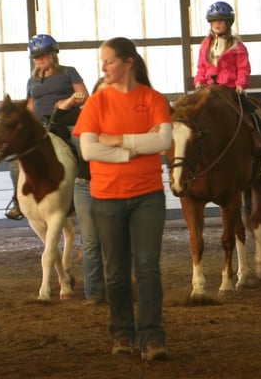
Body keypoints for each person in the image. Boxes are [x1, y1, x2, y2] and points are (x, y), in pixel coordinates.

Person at [73, 37, 171, 361]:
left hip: (148, 196)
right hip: (106, 196)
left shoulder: (153, 98)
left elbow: (164, 140)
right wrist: (133, 151)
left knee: (147, 268)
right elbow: (89, 150)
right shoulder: (96, 103)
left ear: (128, 62)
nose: (103, 67)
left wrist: (118, 141)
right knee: (115, 271)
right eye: (103, 62)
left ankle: (152, 337)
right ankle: (122, 334)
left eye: (109, 60)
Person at [5, 33, 89, 220]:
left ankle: (86, 191)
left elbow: (84, 95)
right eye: (36, 56)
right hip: (40, 127)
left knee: (81, 147)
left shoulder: (69, 72)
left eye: (43, 54)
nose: (40, 59)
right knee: (15, 161)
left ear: (53, 54)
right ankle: (18, 201)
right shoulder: (32, 81)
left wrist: (68, 102)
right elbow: (30, 106)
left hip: (65, 121)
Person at [194, 0, 261, 181]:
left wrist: (240, 84)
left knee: (251, 113)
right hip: (207, 88)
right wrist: (198, 81)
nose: (217, 24)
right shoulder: (204, 45)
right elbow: (200, 67)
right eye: (214, 21)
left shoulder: (237, 46)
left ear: (228, 23)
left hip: (229, 89)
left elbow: (243, 68)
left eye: (221, 21)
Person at [54, 78, 107, 305]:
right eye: (100, 94)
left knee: (117, 240)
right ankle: (94, 294)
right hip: (84, 185)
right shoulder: (83, 116)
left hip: (112, 184)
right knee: (91, 242)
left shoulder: (124, 118)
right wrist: (70, 101)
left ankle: (118, 286)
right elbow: (56, 121)